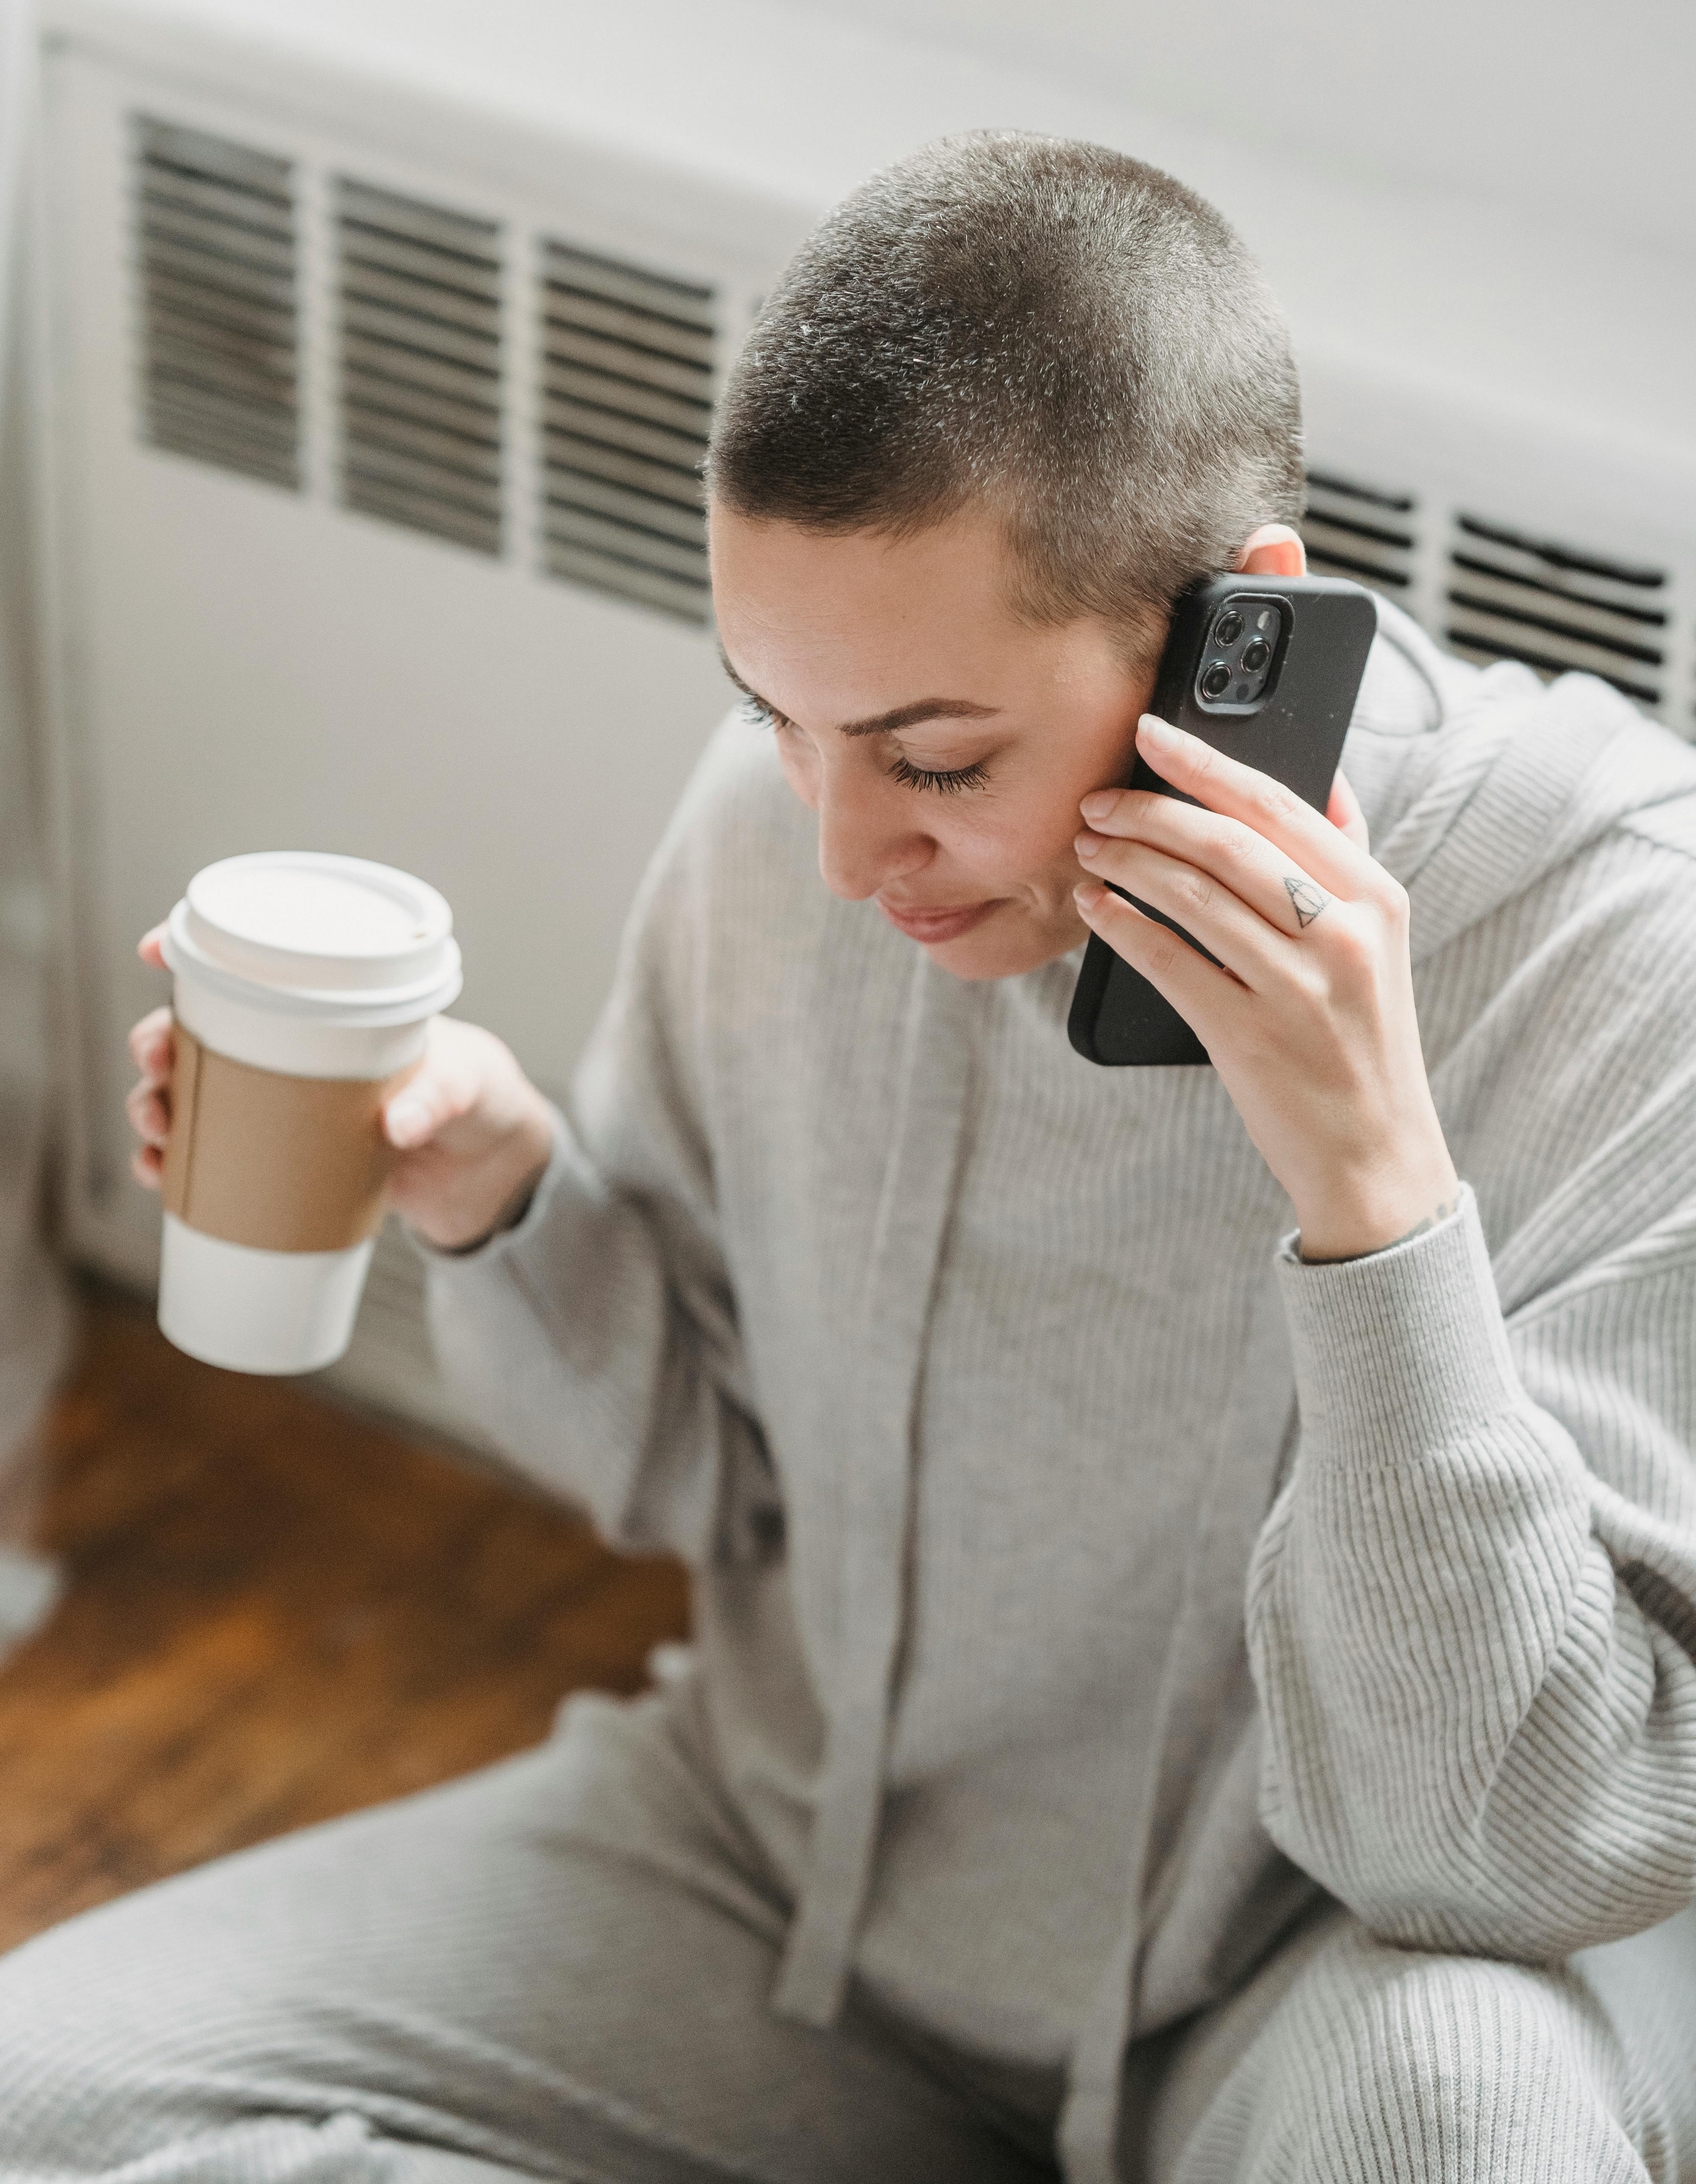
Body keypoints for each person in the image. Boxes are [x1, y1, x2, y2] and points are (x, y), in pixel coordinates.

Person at [6, 132, 1696, 2184]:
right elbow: (705, 1480)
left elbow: (1513, 1848)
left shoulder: (1623, 956)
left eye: (937, 758)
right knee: (45, 2098)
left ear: (1229, 637)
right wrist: (506, 1199)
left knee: (1469, 2139)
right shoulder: (786, 832)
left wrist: (1374, 1198)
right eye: (780, 724)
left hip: (1294, 1988)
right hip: (785, 1877)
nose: (838, 852)